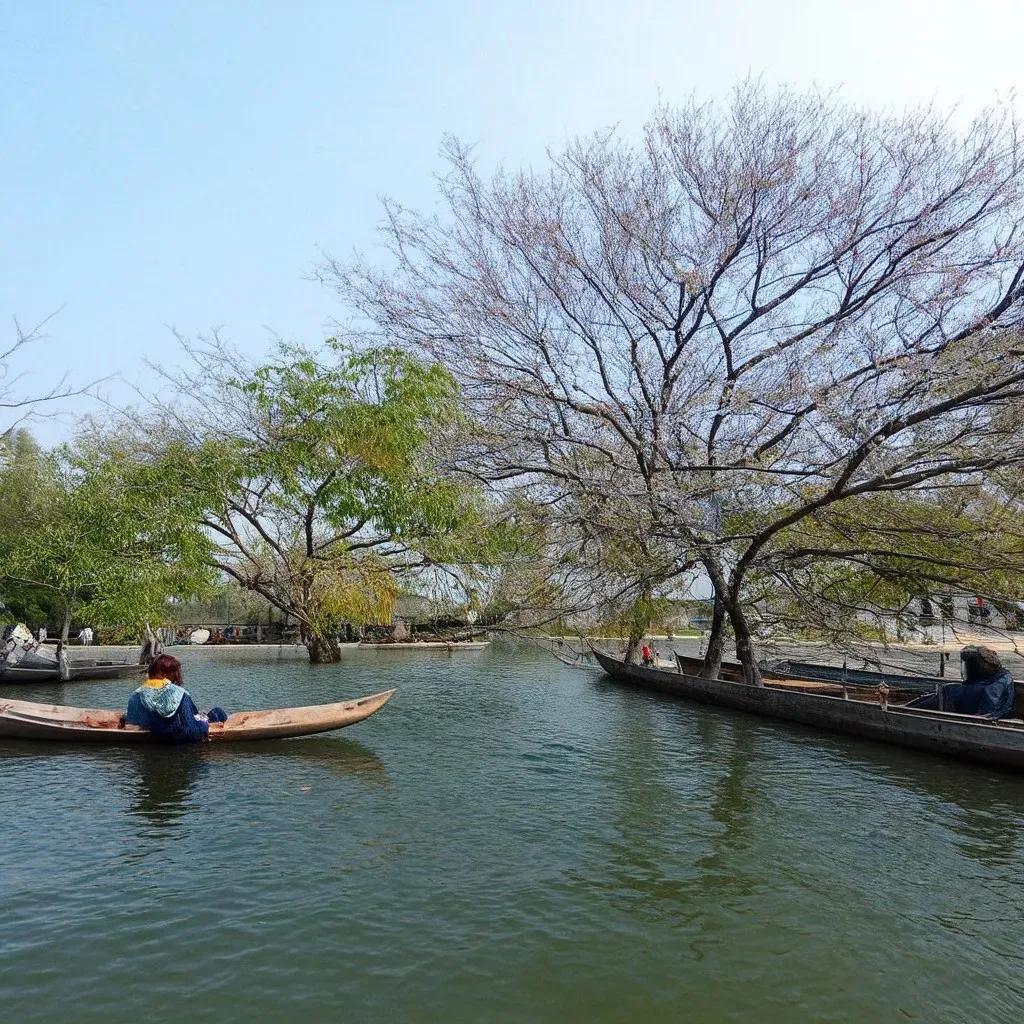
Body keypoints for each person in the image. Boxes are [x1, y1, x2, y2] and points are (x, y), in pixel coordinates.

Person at [124, 654, 228, 742]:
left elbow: (130, 724)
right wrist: (206, 726)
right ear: (167, 674)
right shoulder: (181, 694)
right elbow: (191, 729)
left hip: (157, 734)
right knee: (217, 712)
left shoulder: (137, 694)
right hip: (178, 736)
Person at [907, 645, 1014, 719]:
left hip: (975, 713)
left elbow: (985, 715)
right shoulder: (1003, 676)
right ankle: (907, 707)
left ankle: (905, 710)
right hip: (972, 702)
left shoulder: (992, 688)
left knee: (946, 691)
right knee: (939, 694)